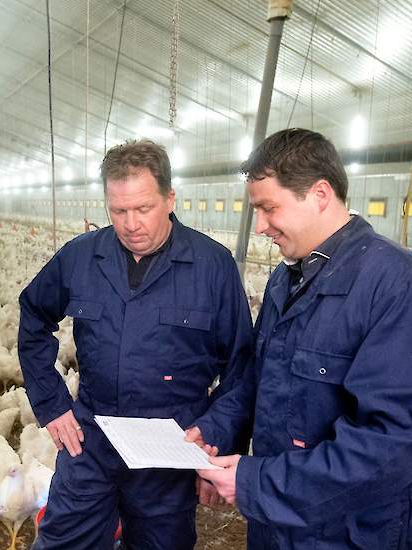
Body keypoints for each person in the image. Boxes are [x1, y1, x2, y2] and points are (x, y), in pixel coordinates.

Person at [189, 128, 412, 549]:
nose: (260, 226)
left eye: (269, 208)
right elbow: (258, 381)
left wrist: (255, 483)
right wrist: (215, 431)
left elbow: (395, 443)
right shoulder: (286, 279)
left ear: (319, 194)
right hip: (277, 526)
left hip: (352, 533)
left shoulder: (402, 287)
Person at [18, 139, 254, 550]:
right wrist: (52, 404)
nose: (131, 223)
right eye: (119, 211)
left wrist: (215, 440)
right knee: (62, 541)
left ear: (169, 198)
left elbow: (241, 368)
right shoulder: (80, 256)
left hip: (171, 447)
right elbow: (34, 316)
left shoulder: (212, 266)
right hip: (91, 437)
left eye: (143, 208)